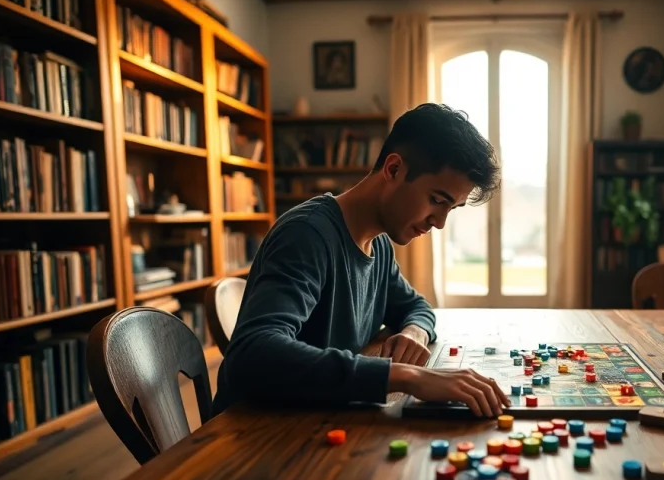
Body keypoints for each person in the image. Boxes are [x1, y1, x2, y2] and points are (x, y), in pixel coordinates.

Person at [213, 103, 511, 418]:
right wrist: (408, 377)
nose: (439, 222)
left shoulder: (378, 245)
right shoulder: (306, 235)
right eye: (436, 200)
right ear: (393, 169)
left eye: (451, 208)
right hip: (255, 431)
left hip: (316, 418)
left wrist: (414, 332)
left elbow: (416, 306)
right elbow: (253, 353)